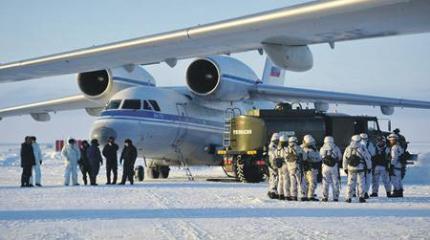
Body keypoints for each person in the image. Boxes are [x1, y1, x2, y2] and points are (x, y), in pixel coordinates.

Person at [343, 135, 371, 203]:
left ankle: (348, 198)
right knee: (361, 183)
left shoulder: (348, 148)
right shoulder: (362, 148)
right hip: (360, 168)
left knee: (350, 183)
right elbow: (367, 158)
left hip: (351, 169)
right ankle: (361, 197)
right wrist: (369, 167)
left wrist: (345, 168)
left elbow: (345, 159)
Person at [320, 136, 342, 202]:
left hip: (325, 167)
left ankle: (325, 197)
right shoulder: (336, 148)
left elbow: (320, 157)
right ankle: (335, 197)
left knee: (325, 182)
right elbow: (340, 157)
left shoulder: (322, 148)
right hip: (334, 167)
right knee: (335, 182)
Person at [301, 135, 321, 201]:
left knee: (305, 182)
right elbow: (319, 158)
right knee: (312, 182)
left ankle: (305, 195)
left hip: (305, 169)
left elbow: (303, 159)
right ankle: (310, 196)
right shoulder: (313, 150)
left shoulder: (302, 149)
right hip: (312, 168)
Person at [286, 136, 306, 201]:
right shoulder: (299, 148)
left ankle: (294, 196)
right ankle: (303, 195)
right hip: (298, 167)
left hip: (290, 169)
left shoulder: (286, 149)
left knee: (292, 182)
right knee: (301, 182)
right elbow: (304, 157)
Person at [387, 133, 405, 198]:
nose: (390, 141)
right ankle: (400, 192)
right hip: (400, 166)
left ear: (393, 140)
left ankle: (396, 192)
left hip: (395, 166)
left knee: (394, 179)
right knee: (399, 179)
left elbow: (394, 157)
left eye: (390, 140)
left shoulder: (394, 148)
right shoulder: (399, 146)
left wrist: (391, 165)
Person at [360, 133, 375, 199]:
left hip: (359, 164)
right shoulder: (370, 144)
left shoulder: (357, 145)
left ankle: (359, 192)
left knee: (360, 179)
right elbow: (373, 153)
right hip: (368, 163)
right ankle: (365, 192)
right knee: (368, 179)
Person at [276, 135, 290, 200]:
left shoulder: (277, 149)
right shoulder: (287, 149)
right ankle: (286, 195)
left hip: (279, 166)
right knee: (286, 180)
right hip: (285, 166)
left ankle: (280, 194)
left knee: (280, 180)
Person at [267, 133, 280, 199]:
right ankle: (273, 192)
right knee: (274, 178)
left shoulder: (272, 146)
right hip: (273, 166)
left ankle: (272, 191)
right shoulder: (273, 147)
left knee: (273, 178)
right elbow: (274, 156)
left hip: (272, 165)